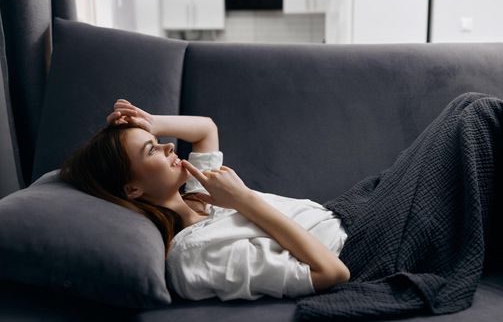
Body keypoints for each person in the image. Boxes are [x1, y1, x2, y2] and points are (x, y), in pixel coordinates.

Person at [59, 99, 351, 301]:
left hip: (353, 209)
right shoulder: (193, 255)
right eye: (151, 150)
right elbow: (333, 272)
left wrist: (150, 123)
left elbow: (206, 129)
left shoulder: (198, 196)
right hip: (355, 244)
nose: (169, 145)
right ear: (133, 190)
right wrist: (243, 199)